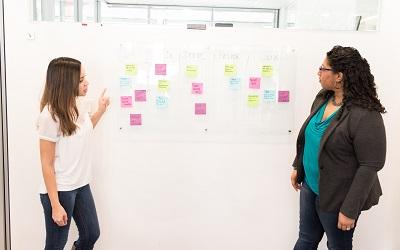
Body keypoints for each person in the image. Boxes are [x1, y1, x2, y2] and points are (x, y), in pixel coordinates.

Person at [291, 46, 386, 250]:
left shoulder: (365, 114)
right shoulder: (323, 97)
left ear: (339, 76)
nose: (318, 72)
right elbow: (311, 139)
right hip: (310, 186)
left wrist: (350, 209)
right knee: (306, 239)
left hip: (339, 196)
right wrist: (298, 166)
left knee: (337, 246)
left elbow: (370, 165)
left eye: (323, 68)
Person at [37, 57, 110, 250]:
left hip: (81, 184)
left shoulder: (79, 105)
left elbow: (83, 133)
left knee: (91, 233)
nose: (87, 83)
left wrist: (100, 111)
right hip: (61, 189)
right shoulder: (50, 115)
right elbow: (46, 164)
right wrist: (55, 204)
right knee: (56, 244)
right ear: (65, 82)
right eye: (80, 80)